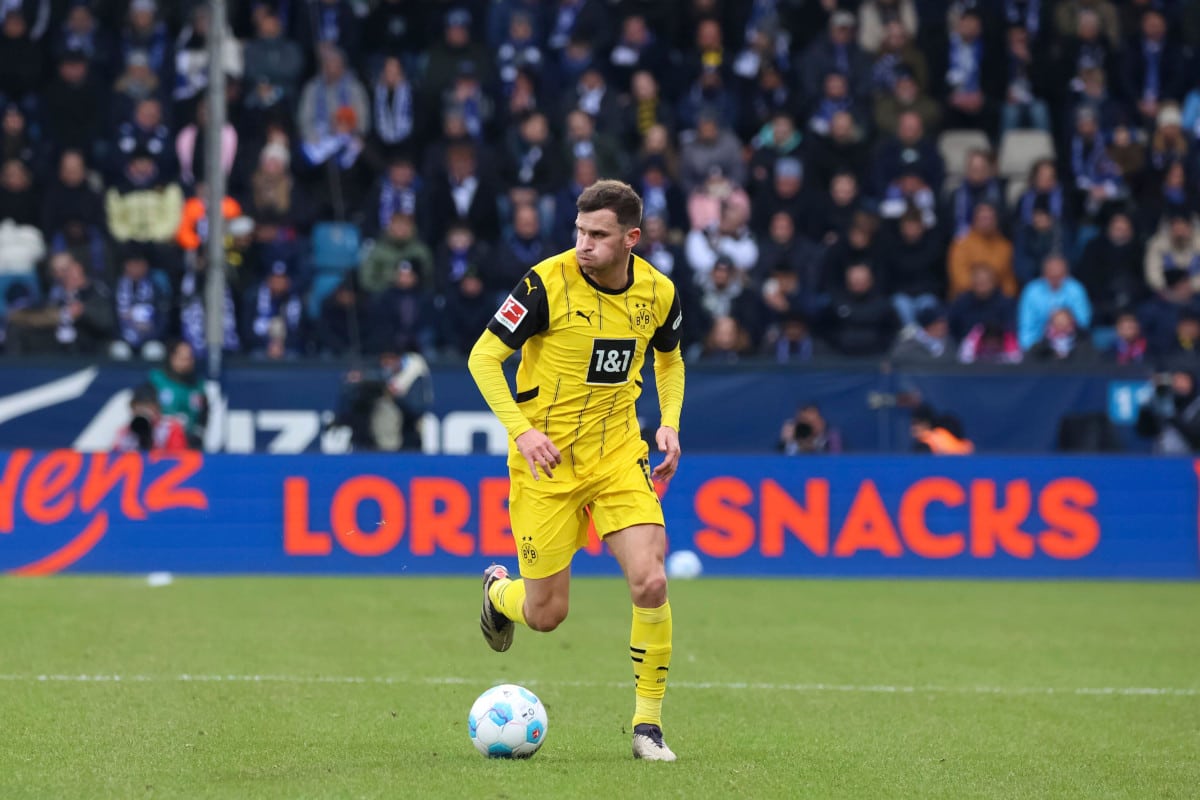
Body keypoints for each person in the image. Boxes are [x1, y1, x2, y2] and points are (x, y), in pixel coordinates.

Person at [467, 180, 684, 762]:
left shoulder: (659, 293)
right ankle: (498, 592)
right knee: (546, 615)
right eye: (579, 232)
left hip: (617, 457)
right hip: (547, 466)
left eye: (598, 235)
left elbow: (670, 357)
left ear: (631, 239)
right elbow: (483, 358)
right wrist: (523, 429)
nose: (583, 244)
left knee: (652, 581)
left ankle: (648, 726)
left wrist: (669, 421)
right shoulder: (544, 284)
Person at [147, 340, 208, 448]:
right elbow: (145, 407)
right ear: (173, 358)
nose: (187, 363)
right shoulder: (157, 380)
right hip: (161, 443)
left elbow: (204, 412)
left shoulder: (198, 385)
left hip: (189, 444)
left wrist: (198, 433)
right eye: (183, 359)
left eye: (190, 359)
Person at [1136, 369, 1200, 454]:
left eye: (1183, 380)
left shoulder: (1196, 405)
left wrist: (1173, 417)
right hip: (1164, 460)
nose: (1179, 385)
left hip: (1190, 460)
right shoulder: (1168, 402)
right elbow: (1144, 432)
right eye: (1176, 381)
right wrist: (1145, 409)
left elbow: (1196, 438)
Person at [112, 382, 188, 454]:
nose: (143, 410)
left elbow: (178, 459)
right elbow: (116, 458)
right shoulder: (125, 432)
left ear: (157, 408)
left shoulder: (171, 428)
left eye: (148, 405)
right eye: (138, 406)